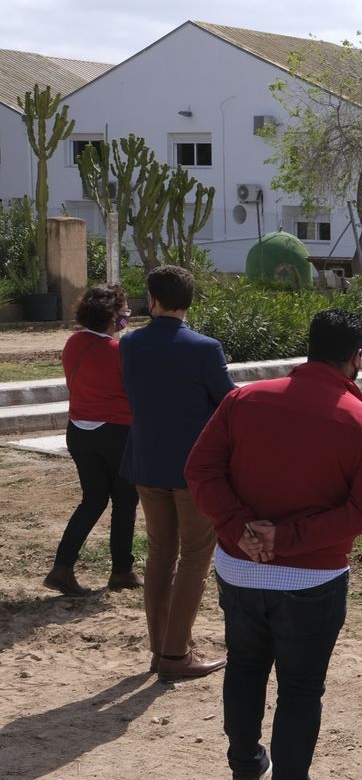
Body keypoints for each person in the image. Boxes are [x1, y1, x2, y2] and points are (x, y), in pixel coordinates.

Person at [186, 309, 362, 780]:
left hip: (239, 568)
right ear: (356, 358)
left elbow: (200, 469)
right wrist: (290, 539)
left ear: (309, 349)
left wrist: (238, 529)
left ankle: (244, 769)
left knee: (245, 667)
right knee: (301, 689)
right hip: (312, 579)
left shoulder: (244, 400)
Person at [120, 265, 235, 681]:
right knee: (194, 557)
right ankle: (175, 653)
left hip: (146, 463)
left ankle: (159, 649)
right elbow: (229, 403)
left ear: (151, 300)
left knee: (159, 554)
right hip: (193, 470)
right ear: (188, 301)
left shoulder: (130, 344)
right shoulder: (205, 349)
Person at [46, 285, 141, 597]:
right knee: (125, 501)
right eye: (124, 312)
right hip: (115, 433)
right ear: (113, 317)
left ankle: (62, 567)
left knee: (93, 499)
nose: (127, 317)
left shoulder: (74, 342)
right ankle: (122, 570)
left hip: (79, 432)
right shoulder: (119, 352)